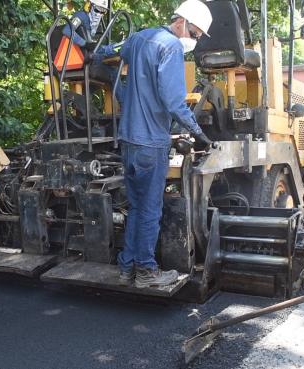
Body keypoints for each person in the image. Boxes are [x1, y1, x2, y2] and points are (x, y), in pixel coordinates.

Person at [98, 0, 215, 288]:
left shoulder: (138, 38)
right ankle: (147, 272)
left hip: (128, 139)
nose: (195, 39)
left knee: (136, 207)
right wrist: (198, 132)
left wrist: (95, 53)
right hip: (151, 142)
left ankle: (127, 267)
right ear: (182, 22)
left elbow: (109, 53)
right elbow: (174, 101)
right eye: (196, 33)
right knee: (150, 209)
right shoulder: (171, 47)